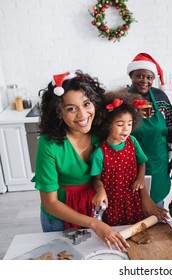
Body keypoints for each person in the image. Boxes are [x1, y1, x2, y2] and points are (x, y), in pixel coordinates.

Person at [32, 70, 129, 251]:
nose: (82, 115)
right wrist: (93, 224)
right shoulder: (49, 144)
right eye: (71, 108)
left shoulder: (102, 133)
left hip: (96, 211)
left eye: (86, 104)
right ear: (58, 112)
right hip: (60, 219)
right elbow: (50, 203)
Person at [90, 89, 169, 226]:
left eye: (130, 124)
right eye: (120, 125)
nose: (126, 129)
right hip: (112, 201)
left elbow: (142, 162)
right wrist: (100, 190)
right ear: (107, 125)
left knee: (135, 228)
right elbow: (96, 178)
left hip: (132, 197)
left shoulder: (132, 141)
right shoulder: (100, 152)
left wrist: (140, 178)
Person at [127, 53, 172, 206]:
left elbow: (171, 128)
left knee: (156, 203)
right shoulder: (123, 98)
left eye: (149, 77)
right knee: (131, 202)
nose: (144, 81)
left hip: (158, 160)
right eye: (139, 76)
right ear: (131, 76)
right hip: (130, 162)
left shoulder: (160, 97)